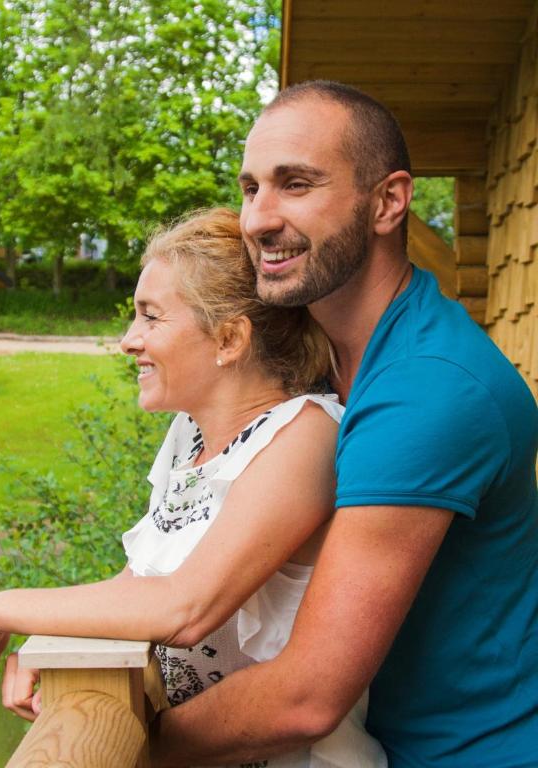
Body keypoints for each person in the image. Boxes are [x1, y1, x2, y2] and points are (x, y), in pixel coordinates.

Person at [137, 82, 537, 768]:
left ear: (388, 202)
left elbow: (307, 698)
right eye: (250, 188)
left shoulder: (428, 390)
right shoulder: (317, 366)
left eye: (295, 184)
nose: (258, 219)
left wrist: (138, 749)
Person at [0, 207, 388, 767]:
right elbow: (139, 585)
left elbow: (186, 607)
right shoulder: (189, 434)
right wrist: (53, 639)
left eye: (151, 318)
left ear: (228, 338)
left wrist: (0, 610)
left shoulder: (304, 436)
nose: (129, 341)